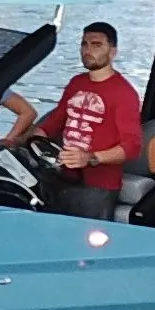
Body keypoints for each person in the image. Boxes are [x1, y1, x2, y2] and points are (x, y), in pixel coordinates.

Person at [24, 20, 144, 213]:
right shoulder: (76, 83)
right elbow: (54, 123)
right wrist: (30, 142)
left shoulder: (124, 93)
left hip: (97, 187)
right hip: (60, 175)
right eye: (84, 44)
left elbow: (132, 146)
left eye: (96, 45)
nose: (88, 51)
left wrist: (91, 157)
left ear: (112, 52)